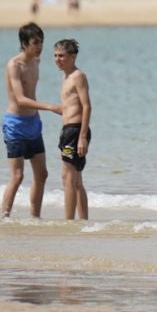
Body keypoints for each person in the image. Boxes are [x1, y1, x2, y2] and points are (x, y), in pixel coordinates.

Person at [1, 23, 61, 218]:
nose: (39, 47)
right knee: (17, 176)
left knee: (42, 174)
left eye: (41, 42)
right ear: (24, 43)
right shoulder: (14, 65)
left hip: (33, 123)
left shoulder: (36, 61)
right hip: (15, 124)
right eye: (35, 43)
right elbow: (20, 99)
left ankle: (35, 218)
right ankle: (4, 218)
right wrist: (51, 107)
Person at [52, 38, 92, 222]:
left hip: (75, 132)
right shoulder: (66, 76)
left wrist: (82, 137)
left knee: (68, 177)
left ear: (73, 56)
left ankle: (68, 223)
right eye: (55, 56)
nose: (57, 59)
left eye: (62, 56)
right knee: (75, 180)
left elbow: (87, 106)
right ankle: (83, 222)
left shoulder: (78, 76)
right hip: (68, 131)